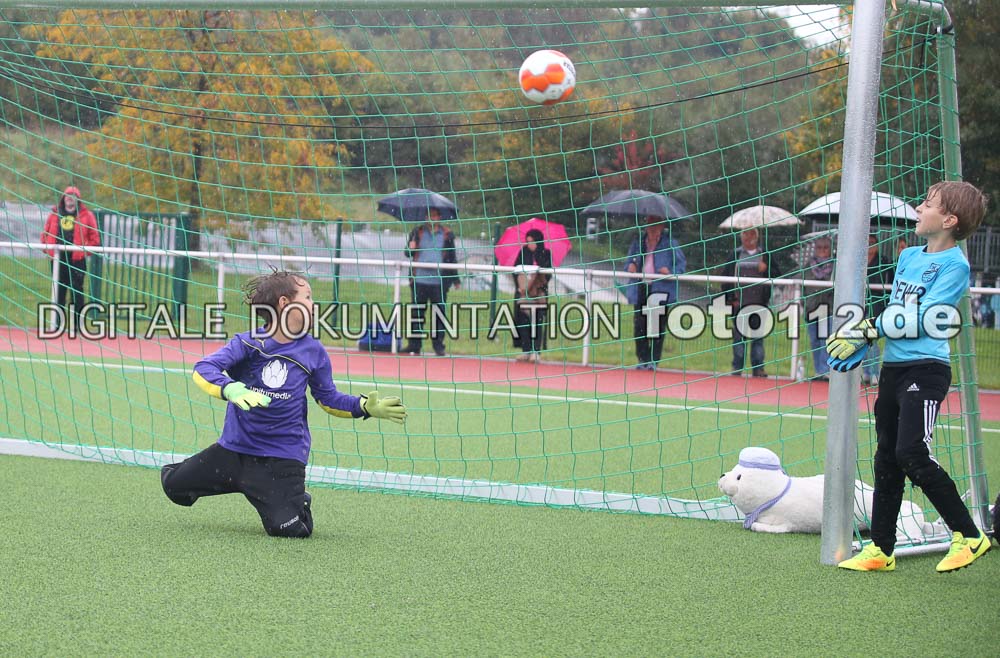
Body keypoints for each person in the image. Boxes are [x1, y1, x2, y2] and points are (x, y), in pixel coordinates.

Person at [161, 271, 407, 538]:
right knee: (174, 487)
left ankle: (297, 500)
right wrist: (229, 388)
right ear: (284, 303)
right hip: (233, 452)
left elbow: (328, 399)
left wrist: (364, 406)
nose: (314, 305)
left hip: (281, 457)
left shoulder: (313, 351)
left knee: (292, 530)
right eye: (308, 297)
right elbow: (204, 368)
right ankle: (228, 478)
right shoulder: (248, 342)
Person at [830, 181, 992, 572]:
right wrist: (869, 336)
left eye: (928, 204)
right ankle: (881, 550)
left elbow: (926, 316)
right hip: (894, 368)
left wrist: (870, 329)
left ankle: (970, 535)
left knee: (911, 452)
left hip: (926, 370)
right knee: (886, 456)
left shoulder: (955, 265)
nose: (919, 209)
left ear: (949, 220)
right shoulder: (907, 256)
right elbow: (897, 308)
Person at [623, 215, 687, 370]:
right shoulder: (638, 242)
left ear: (662, 226)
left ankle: (653, 360)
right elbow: (629, 262)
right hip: (641, 287)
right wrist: (630, 266)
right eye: (650, 224)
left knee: (657, 326)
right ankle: (642, 359)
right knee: (640, 325)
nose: (652, 228)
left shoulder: (670, 243)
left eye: (656, 224)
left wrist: (670, 272)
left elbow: (681, 266)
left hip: (660, 289)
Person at [720, 227, 780, 377]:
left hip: (759, 303)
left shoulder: (764, 255)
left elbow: (777, 274)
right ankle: (737, 367)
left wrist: (766, 269)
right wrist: (730, 298)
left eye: (752, 234)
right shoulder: (735, 254)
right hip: (739, 304)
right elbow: (725, 277)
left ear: (757, 237)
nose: (748, 238)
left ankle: (758, 368)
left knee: (757, 338)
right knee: (739, 337)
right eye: (745, 234)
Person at [40, 186, 100, 327]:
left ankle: (78, 325)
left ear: (78, 199)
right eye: (67, 195)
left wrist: (83, 252)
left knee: (77, 292)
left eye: (73, 196)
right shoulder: (55, 214)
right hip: (58, 260)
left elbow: (95, 239)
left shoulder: (86, 215)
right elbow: (45, 235)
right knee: (59, 292)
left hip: (77, 260)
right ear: (63, 198)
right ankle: (57, 324)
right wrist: (48, 250)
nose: (70, 198)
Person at [404, 208, 459, 356]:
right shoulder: (417, 232)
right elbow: (407, 253)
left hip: (439, 282)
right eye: (429, 215)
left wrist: (455, 279)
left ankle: (438, 346)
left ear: (439, 217)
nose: (432, 218)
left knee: (439, 315)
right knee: (417, 314)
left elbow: (452, 257)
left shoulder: (447, 234)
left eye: (434, 215)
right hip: (419, 280)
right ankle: (414, 345)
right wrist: (410, 247)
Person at [512, 228, 552, 362]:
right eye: (528, 241)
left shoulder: (546, 254)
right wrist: (521, 286)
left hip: (539, 295)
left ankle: (536, 351)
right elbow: (515, 270)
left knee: (537, 322)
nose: (530, 245)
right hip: (524, 294)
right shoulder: (523, 252)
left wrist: (537, 282)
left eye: (532, 242)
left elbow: (548, 274)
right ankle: (526, 350)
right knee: (523, 322)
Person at [862, 233, 892, 386]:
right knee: (861, 340)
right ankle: (866, 372)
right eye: (867, 242)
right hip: (860, 305)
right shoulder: (859, 260)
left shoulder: (883, 262)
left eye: (872, 242)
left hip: (876, 305)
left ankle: (875, 373)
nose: (870, 246)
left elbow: (888, 284)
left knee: (871, 340)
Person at [804, 236, 834, 381]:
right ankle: (818, 371)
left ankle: (826, 370)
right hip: (811, 309)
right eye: (819, 247)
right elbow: (802, 285)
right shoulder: (808, 266)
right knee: (815, 341)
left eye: (825, 247)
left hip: (828, 309)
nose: (822, 250)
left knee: (826, 340)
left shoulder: (835, 266)